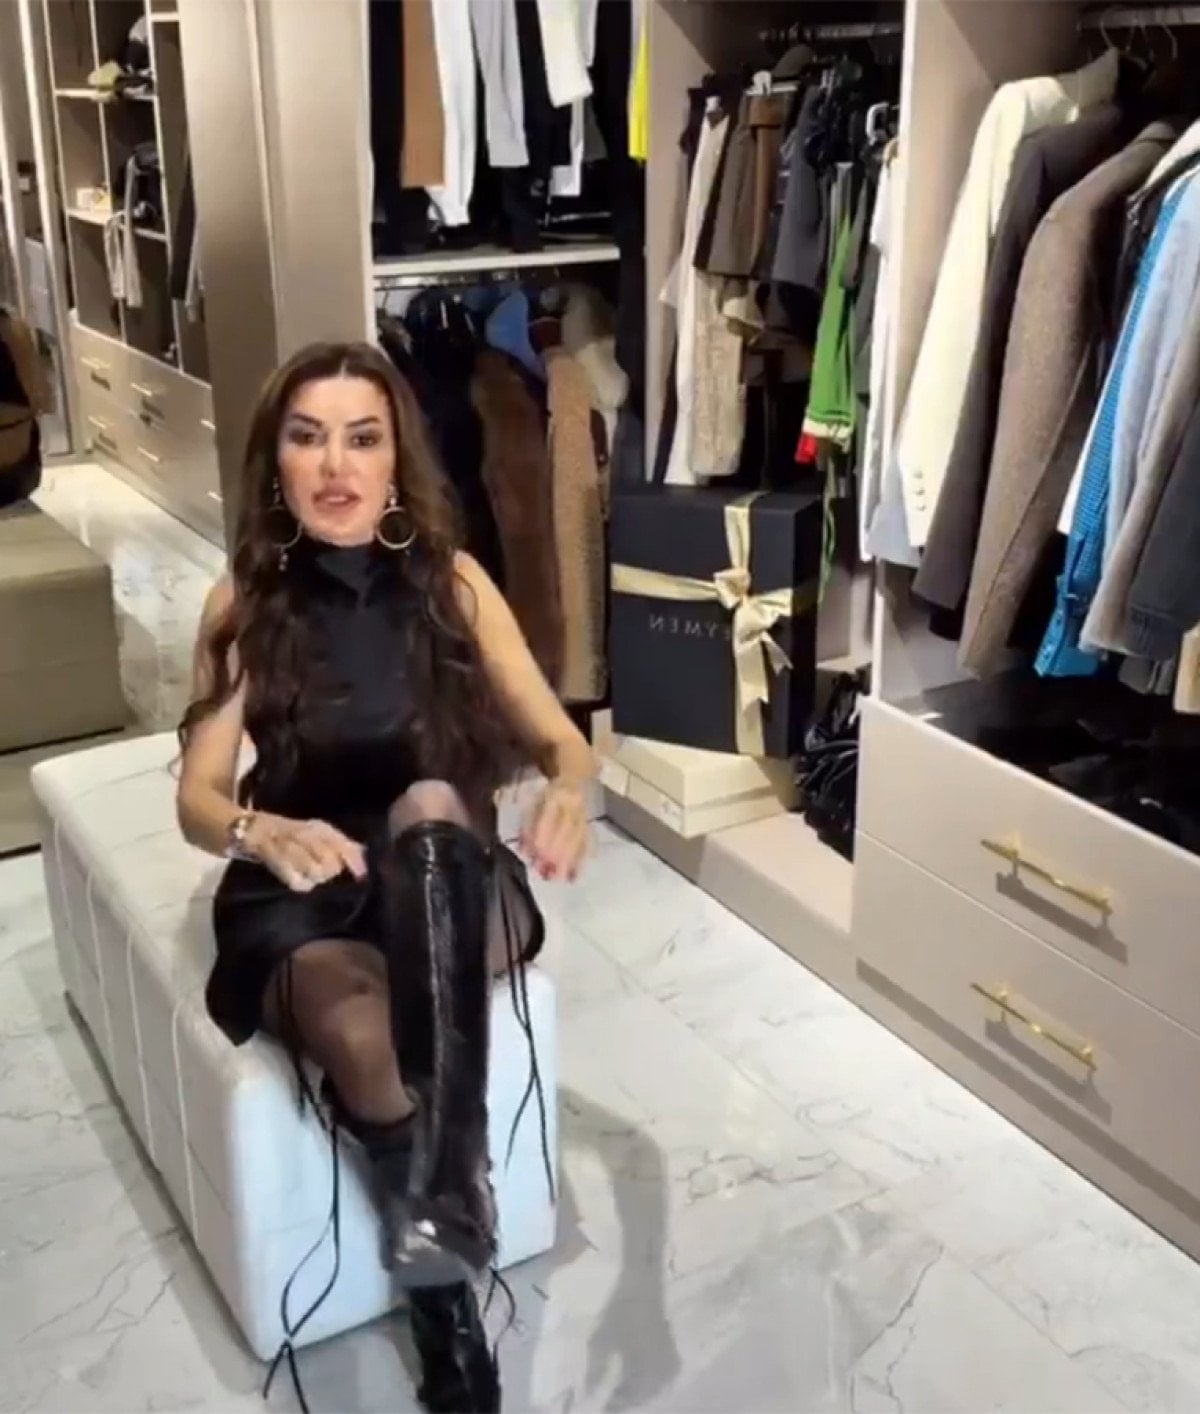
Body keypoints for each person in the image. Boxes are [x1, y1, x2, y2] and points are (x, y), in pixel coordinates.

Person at [176, 341, 594, 1412]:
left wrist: (568, 787)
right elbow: (199, 798)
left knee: (432, 808)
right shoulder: (245, 604)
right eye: (307, 438)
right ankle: (445, 1304)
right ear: (275, 461)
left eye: (362, 438)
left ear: (397, 457)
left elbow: (561, 739)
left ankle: (444, 1183)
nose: (336, 466)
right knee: (363, 1038)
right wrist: (260, 831)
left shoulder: (454, 584)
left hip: (445, 880)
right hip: (307, 885)